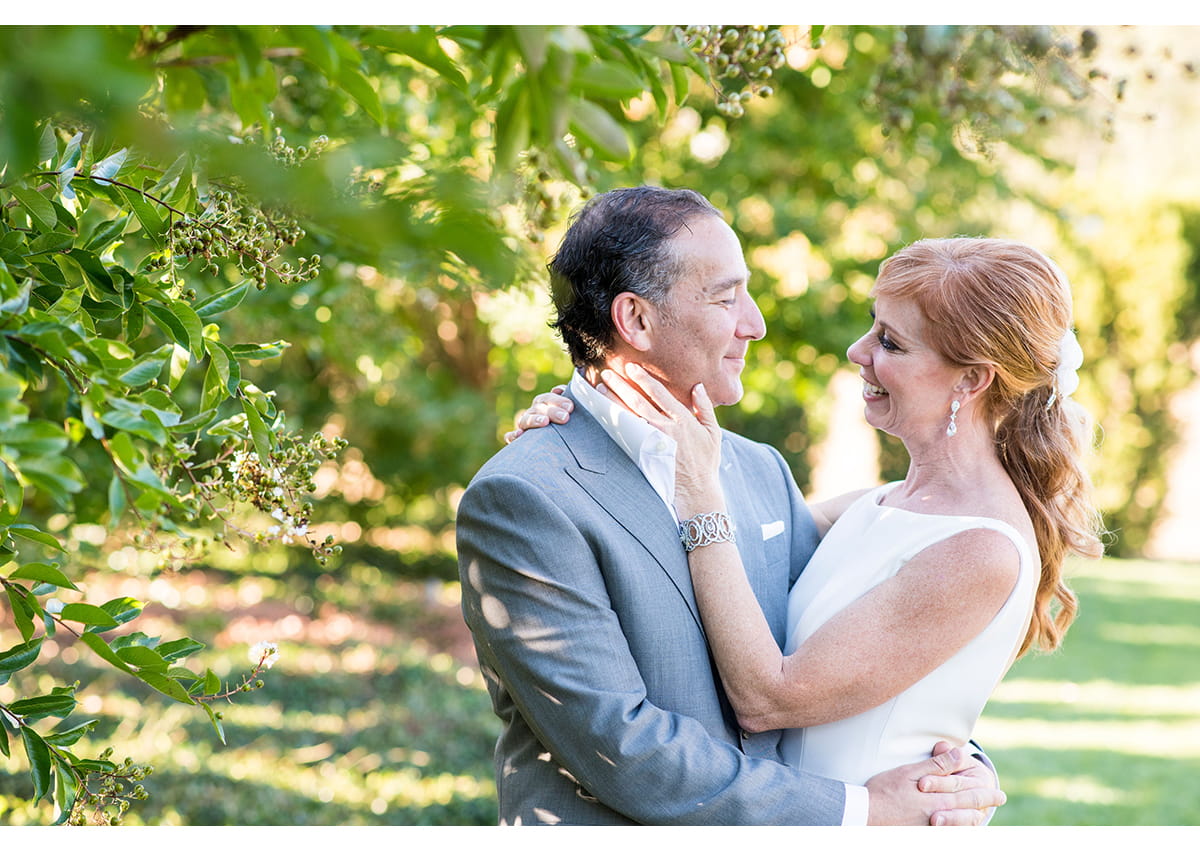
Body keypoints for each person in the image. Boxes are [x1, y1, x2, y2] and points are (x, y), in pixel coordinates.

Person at [457, 185, 1006, 826]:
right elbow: (623, 748)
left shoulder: (756, 467)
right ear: (635, 320)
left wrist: (954, 764)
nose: (756, 323)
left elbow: (838, 648)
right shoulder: (527, 497)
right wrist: (861, 811)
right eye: (726, 297)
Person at [515, 234, 1105, 793]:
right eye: (873, 328)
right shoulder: (882, 505)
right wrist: (591, 426)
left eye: (891, 343)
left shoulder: (979, 549)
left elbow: (769, 698)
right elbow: (700, 547)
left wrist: (699, 491)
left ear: (972, 380)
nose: (858, 352)